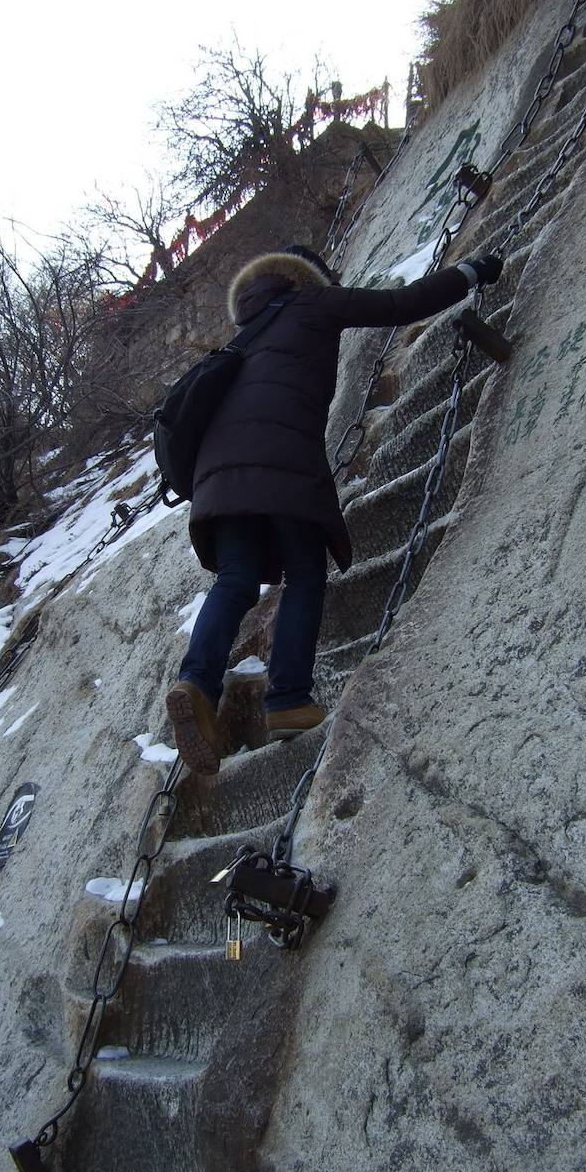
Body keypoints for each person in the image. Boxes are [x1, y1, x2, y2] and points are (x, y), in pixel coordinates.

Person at [166, 243, 503, 774]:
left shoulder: (243, 336)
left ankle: (197, 683)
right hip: (280, 459)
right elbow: (400, 305)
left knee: (235, 579)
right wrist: (470, 271)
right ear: (306, 279)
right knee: (303, 572)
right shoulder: (311, 304)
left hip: (218, 476)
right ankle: (288, 701)